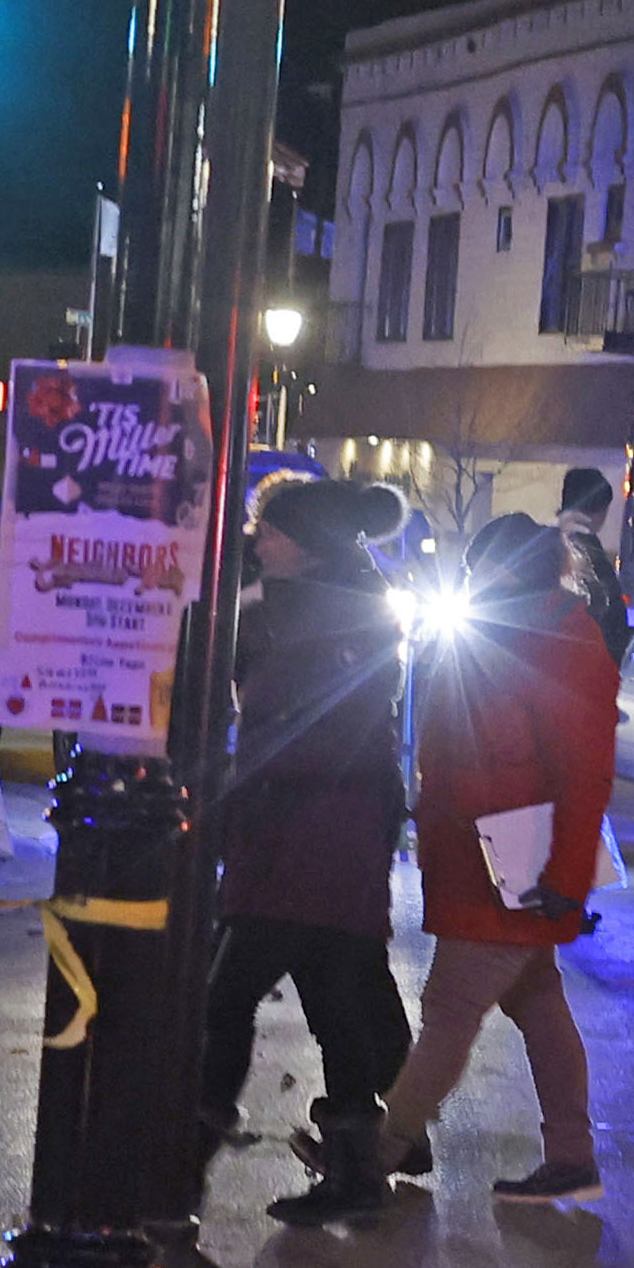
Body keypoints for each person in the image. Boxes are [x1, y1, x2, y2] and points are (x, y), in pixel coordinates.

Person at [363, 515, 619, 1208]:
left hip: (514, 868)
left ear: (508, 569)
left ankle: (379, 1152)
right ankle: (571, 1156)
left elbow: (584, 772)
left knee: (450, 1009)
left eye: (479, 567)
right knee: (537, 1001)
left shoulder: (559, 641)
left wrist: (564, 878)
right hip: (484, 860)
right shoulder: (501, 631)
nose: (471, 579)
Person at [199, 478, 415, 1211]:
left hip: (311, 837)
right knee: (332, 1000)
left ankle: (182, 1158)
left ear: (309, 546)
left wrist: (242, 786)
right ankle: (356, 1170)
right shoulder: (296, 609)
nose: (258, 541)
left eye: (271, 530)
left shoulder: (330, 619)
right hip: (307, 839)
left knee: (229, 996)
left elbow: (317, 734)